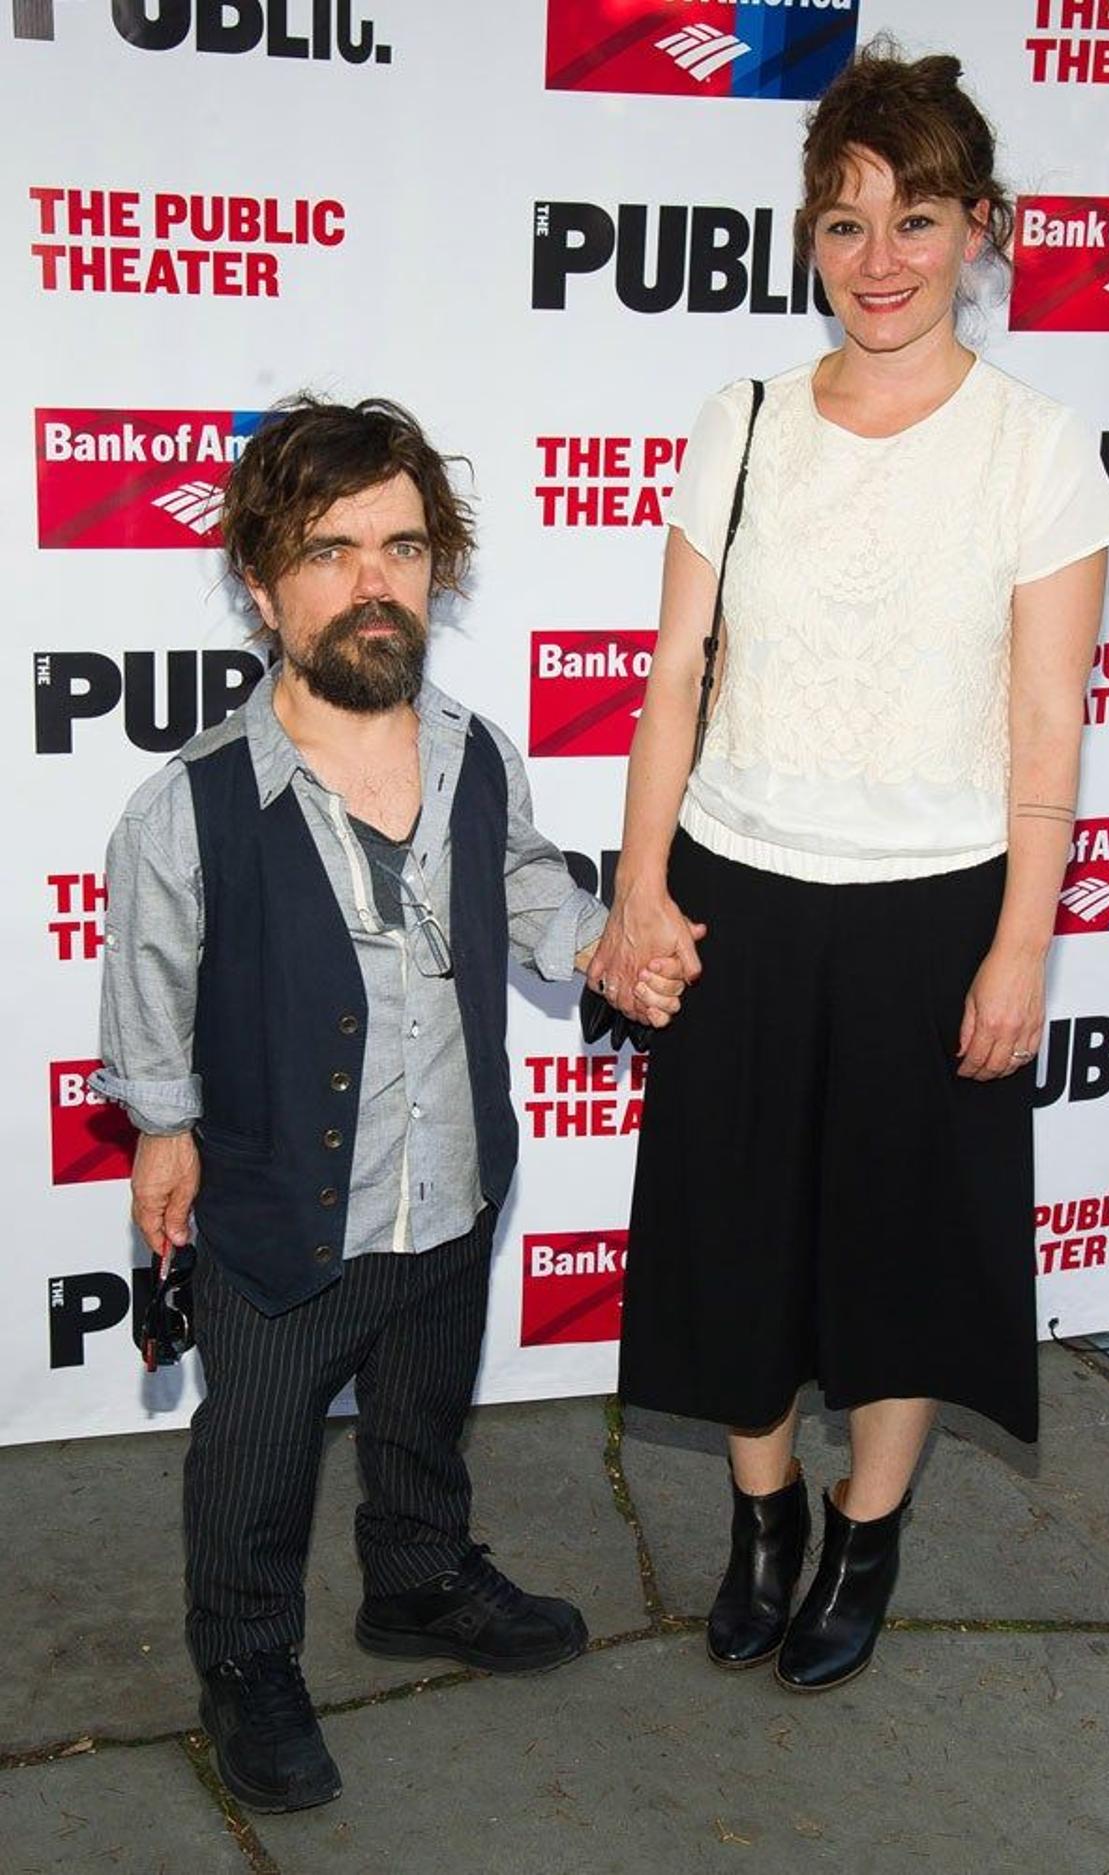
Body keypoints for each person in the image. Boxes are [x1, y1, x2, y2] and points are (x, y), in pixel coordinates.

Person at [587, 43, 1109, 1695]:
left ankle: (867, 1529)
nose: (878, 258)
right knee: (735, 1240)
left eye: (916, 218)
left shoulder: (1038, 446)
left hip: (937, 907)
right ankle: (760, 1518)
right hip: (740, 892)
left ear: (984, 229)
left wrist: (1022, 945)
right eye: (843, 222)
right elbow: (676, 675)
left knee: (900, 1255)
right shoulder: (739, 424)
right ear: (809, 238)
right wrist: (639, 885)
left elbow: (1050, 723)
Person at [91, 396, 689, 1813]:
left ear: (441, 565)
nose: (376, 583)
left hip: (454, 1179)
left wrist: (602, 941)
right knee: (255, 1459)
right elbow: (150, 985)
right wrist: (165, 1133)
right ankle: (242, 1660)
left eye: (406, 547)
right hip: (277, 1212)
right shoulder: (187, 804)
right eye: (333, 549)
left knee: (425, 1415)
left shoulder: (477, 751)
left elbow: (522, 874)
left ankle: (417, 1582)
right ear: (259, 579)